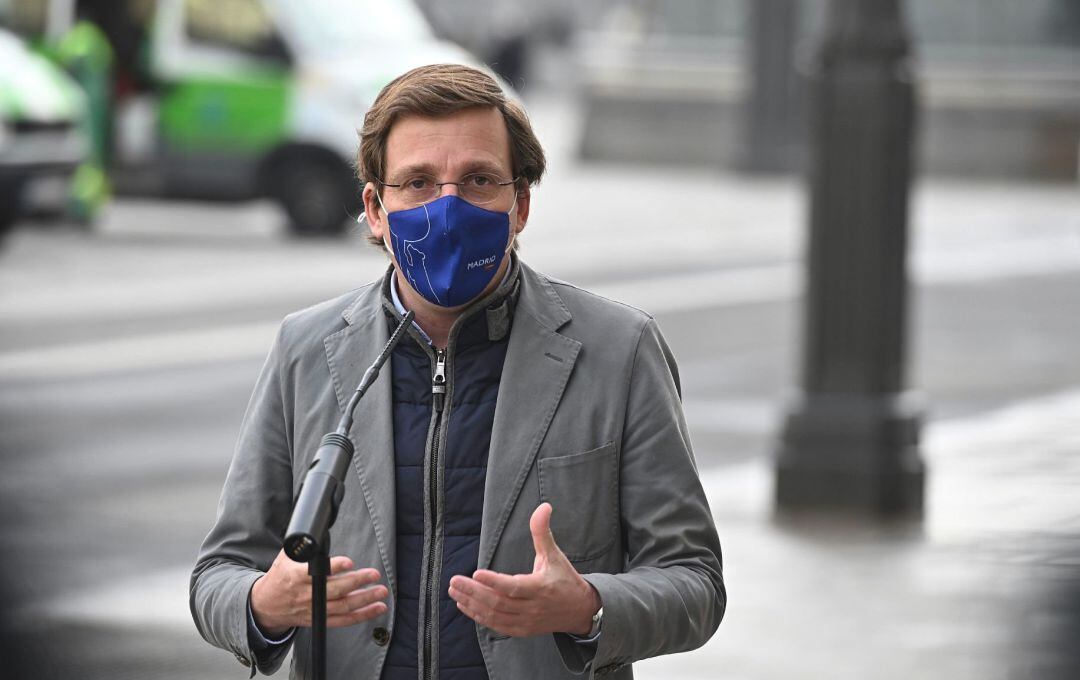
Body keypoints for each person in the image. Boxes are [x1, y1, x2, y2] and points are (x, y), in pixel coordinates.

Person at [190, 63, 725, 680]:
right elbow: (218, 575)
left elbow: (695, 583)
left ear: (520, 203)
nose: (447, 207)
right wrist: (264, 605)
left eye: (477, 179)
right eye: (417, 182)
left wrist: (589, 607)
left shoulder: (618, 351)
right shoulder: (305, 349)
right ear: (374, 207)